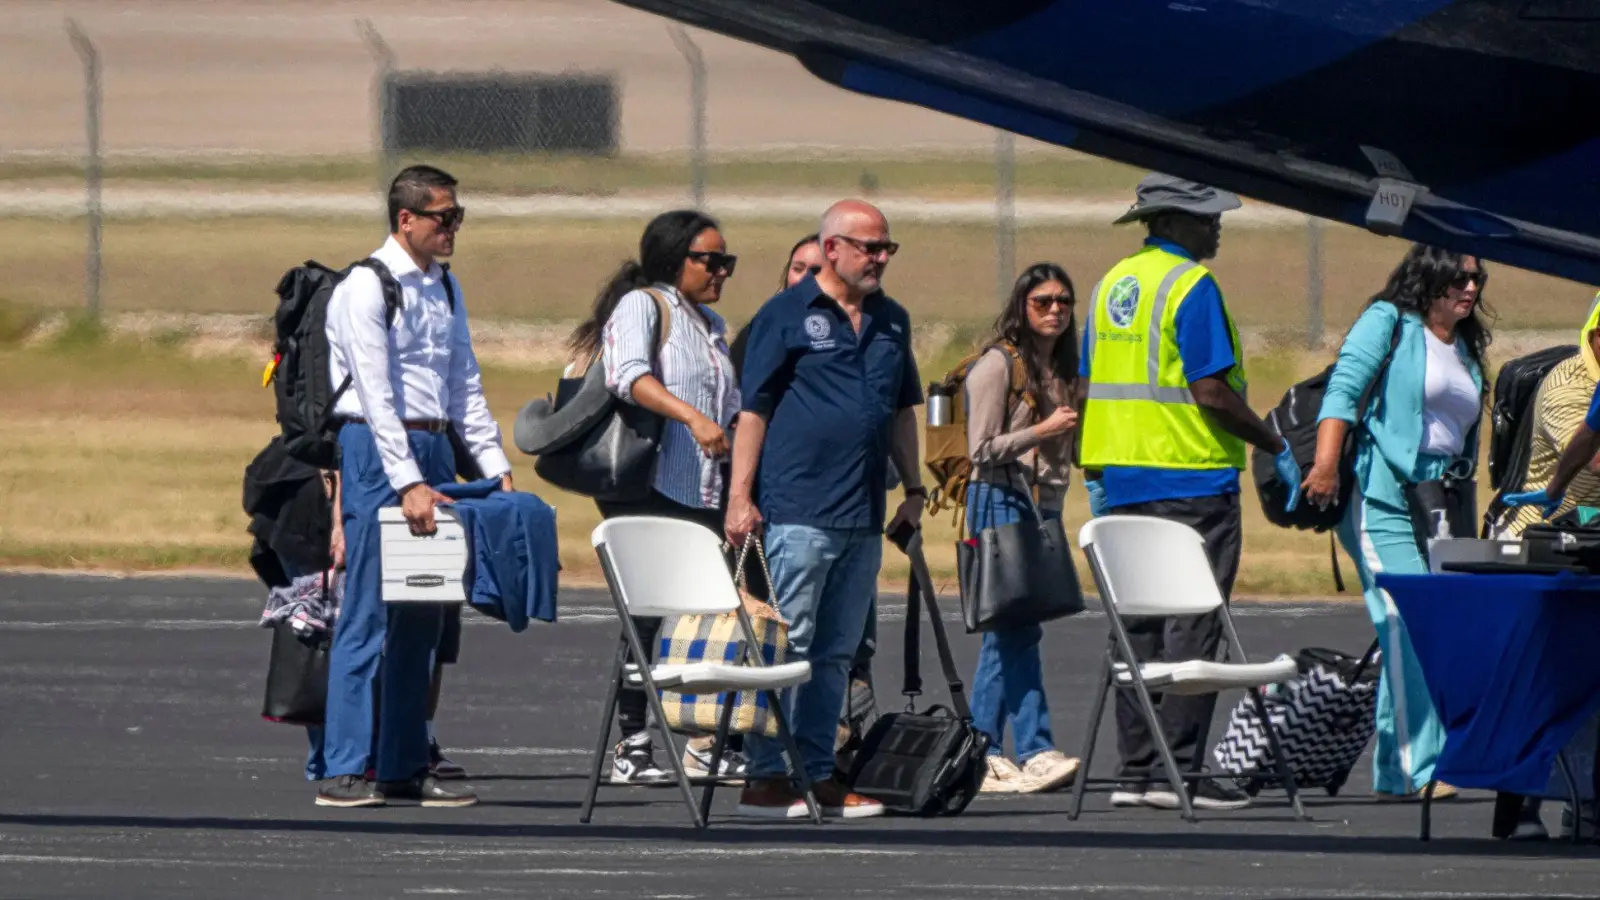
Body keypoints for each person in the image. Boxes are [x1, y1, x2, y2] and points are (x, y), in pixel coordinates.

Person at [1077, 173, 1298, 812]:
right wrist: (1274, 443)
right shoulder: (1191, 286)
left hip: (1122, 483)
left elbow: (1089, 387)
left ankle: (1137, 775)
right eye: (1207, 217)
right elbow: (1211, 391)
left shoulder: (1109, 285)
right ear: (1175, 222)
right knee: (1193, 631)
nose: (1217, 226)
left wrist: (1096, 468)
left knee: (1136, 633)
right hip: (1192, 479)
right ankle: (1183, 776)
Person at [316, 164, 511, 809]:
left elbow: (465, 386)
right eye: (443, 217)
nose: (453, 228)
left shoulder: (444, 288)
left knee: (423, 617)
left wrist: (491, 466)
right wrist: (406, 484)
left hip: (431, 447)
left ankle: (401, 763)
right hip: (378, 451)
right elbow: (374, 396)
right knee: (368, 613)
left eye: (458, 217)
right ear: (406, 220)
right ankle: (344, 768)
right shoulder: (364, 288)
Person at [727, 199, 925, 819]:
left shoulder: (892, 321)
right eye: (870, 247)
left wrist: (914, 489)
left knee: (837, 651)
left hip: (863, 514)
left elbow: (900, 411)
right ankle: (766, 774)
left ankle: (816, 773)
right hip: (797, 511)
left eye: (887, 248)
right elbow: (753, 410)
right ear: (832, 247)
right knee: (789, 645)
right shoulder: (784, 315)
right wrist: (740, 496)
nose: (880, 259)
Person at [1302, 244, 1492, 802]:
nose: (1471, 288)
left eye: (1478, 278)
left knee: (1424, 626)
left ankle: (1394, 766)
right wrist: (1326, 466)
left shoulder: (1466, 344)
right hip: (1381, 495)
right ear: (1428, 275)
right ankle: (1420, 767)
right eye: (1459, 278)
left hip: (1440, 502)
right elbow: (1343, 392)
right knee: (1405, 620)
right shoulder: (1387, 321)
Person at [566, 209, 744, 785]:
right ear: (674, 259)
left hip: (705, 488)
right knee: (647, 617)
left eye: (727, 262)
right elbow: (628, 375)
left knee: (709, 614)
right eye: (709, 260)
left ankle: (703, 740)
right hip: (655, 482)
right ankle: (631, 746)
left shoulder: (711, 323)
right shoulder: (645, 305)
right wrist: (692, 417)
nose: (720, 271)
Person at [965, 263, 1084, 794]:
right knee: (1016, 628)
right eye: (1042, 302)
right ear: (1021, 306)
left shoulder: (1064, 367)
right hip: (1000, 498)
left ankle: (982, 749)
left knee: (1008, 631)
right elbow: (980, 449)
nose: (1054, 310)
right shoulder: (998, 366)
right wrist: (1044, 428)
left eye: (1063, 301)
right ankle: (1034, 748)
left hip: (1045, 505)